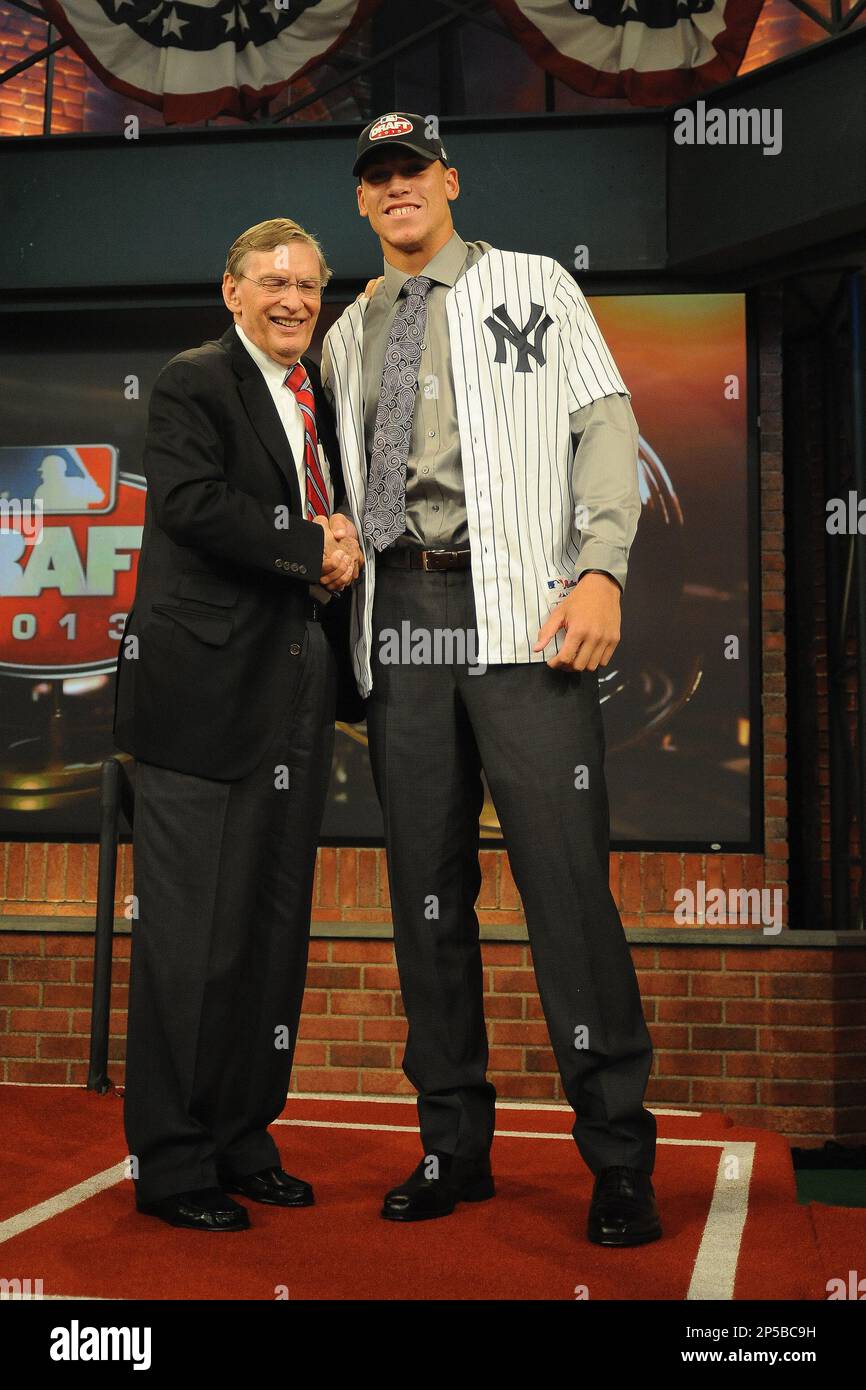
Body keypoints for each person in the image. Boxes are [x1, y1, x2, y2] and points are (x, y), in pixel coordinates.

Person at [322, 115, 661, 1246]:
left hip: (524, 610)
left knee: (564, 892)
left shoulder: (536, 282)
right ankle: (450, 1145)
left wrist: (600, 570)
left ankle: (617, 1155)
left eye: (410, 167)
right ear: (363, 207)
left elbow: (603, 429)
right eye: (376, 178)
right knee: (426, 898)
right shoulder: (342, 334)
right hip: (402, 614)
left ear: (447, 181)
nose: (395, 187)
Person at [114, 217, 363, 1232]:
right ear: (232, 292)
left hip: (294, 702)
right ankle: (174, 1163)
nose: (292, 298)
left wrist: (336, 556)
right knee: (190, 945)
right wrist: (312, 546)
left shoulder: (320, 397)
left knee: (269, 939)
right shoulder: (193, 381)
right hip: (200, 706)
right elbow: (191, 504)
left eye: (307, 282)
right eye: (272, 281)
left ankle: (242, 1135)